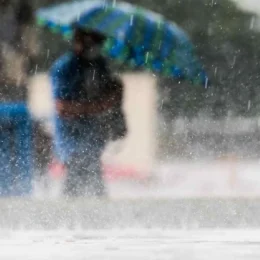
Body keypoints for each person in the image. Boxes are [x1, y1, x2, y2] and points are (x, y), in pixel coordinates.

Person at [50, 28, 127, 196]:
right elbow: (62, 108)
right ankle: (65, 219)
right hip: (72, 141)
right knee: (77, 186)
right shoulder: (64, 68)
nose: (96, 46)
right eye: (93, 40)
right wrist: (100, 106)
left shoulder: (99, 64)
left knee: (95, 187)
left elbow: (106, 92)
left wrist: (116, 92)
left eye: (100, 41)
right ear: (80, 39)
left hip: (93, 137)